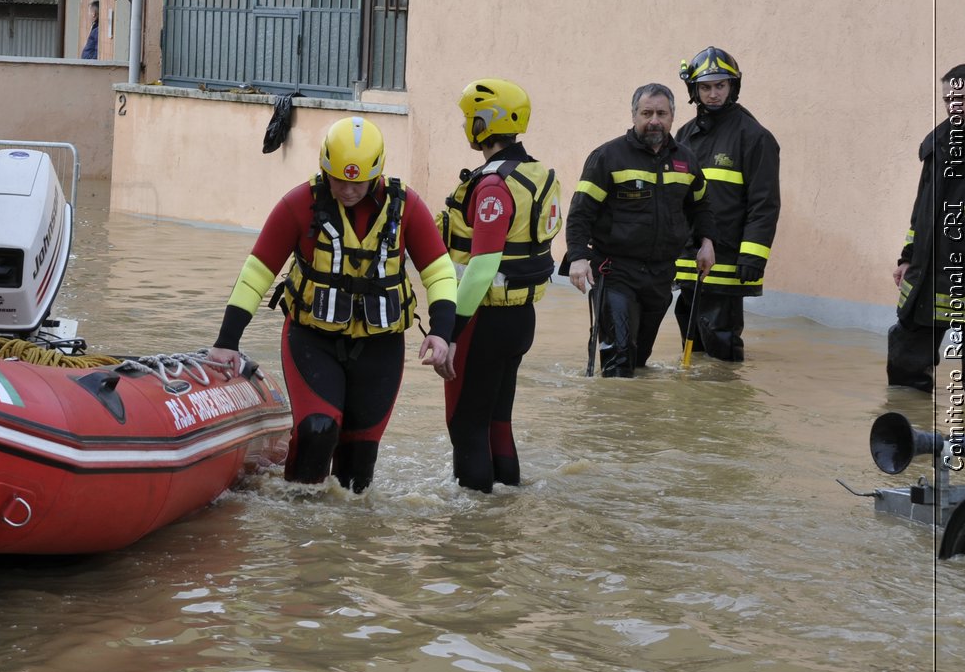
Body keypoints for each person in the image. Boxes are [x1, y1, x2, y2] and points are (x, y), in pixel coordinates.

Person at [206, 116, 458, 494]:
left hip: (380, 348)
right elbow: (256, 274)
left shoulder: (407, 207)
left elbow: (439, 273)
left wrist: (441, 332)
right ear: (324, 168)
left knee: (358, 471)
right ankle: (300, 534)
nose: (347, 189)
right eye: (338, 178)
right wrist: (228, 341)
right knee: (317, 431)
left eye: (356, 181)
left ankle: (345, 550)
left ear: (375, 172)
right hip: (312, 340)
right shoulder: (298, 204)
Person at [436, 79, 560, 492]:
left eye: (469, 118)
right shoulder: (536, 173)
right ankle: (504, 513)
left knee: (466, 424)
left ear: (484, 123)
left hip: (482, 321)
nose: (465, 125)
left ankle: (469, 538)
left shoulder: (492, 185)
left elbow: (483, 266)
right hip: (520, 319)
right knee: (497, 420)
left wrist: (449, 333)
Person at [564, 84, 716, 377]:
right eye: (647, 113)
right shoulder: (607, 157)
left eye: (661, 113)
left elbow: (701, 206)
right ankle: (612, 417)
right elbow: (581, 212)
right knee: (619, 357)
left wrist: (707, 242)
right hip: (615, 271)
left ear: (672, 117)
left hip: (660, 274)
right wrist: (579, 258)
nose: (654, 120)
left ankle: (634, 419)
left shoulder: (686, 160)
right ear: (634, 115)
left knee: (639, 359)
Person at [672, 47, 781, 361]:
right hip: (688, 260)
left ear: (733, 86)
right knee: (691, 342)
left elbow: (765, 203)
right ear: (694, 90)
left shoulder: (754, 136)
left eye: (720, 85)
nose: (713, 94)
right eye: (705, 87)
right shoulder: (685, 135)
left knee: (721, 343)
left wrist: (753, 255)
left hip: (729, 261)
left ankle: (725, 402)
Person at [887, 63, 965, 391]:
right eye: (948, 99)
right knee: (905, 369)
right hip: (928, 274)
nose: (953, 106)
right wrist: (907, 256)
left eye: (962, 98)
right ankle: (908, 431)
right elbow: (922, 210)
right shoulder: (937, 143)